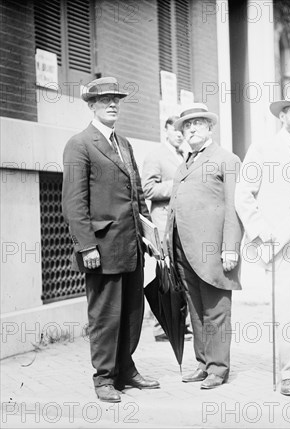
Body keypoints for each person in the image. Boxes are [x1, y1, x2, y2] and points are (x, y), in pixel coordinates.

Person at [62, 77, 159, 403]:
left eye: (116, 99)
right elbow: (74, 202)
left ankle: (126, 369)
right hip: (101, 249)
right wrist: (86, 245)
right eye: (105, 100)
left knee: (132, 311)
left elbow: (137, 196)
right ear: (91, 105)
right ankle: (104, 378)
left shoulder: (125, 144)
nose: (113, 104)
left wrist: (149, 234)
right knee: (105, 315)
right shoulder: (80, 144)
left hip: (131, 247)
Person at [235, 90, 290, 396]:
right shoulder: (262, 149)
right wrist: (262, 232)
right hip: (279, 237)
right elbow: (243, 194)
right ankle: (288, 371)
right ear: (282, 115)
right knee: (286, 305)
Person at [163, 103, 243, 389]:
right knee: (196, 311)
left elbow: (236, 207)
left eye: (198, 123)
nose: (192, 129)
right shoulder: (185, 163)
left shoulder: (227, 159)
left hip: (213, 251)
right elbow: (174, 208)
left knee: (216, 310)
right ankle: (203, 363)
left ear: (210, 127)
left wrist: (230, 247)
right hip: (183, 249)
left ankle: (218, 369)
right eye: (187, 125)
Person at [142, 115, 191, 342]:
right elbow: (148, 190)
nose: (180, 134)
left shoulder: (185, 155)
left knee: (181, 274)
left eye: (182, 130)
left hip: (182, 223)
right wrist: (177, 185)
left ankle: (181, 324)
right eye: (175, 130)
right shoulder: (156, 155)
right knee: (164, 274)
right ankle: (161, 327)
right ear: (166, 131)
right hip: (163, 224)